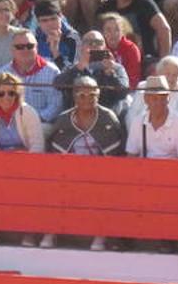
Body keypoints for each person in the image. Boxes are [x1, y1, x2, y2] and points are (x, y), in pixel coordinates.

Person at [48, 75, 124, 250]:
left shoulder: (107, 117)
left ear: (98, 95)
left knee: (106, 191)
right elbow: (54, 150)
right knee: (52, 189)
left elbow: (116, 153)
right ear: (74, 97)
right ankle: (50, 232)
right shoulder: (64, 119)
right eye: (82, 95)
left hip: (101, 173)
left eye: (92, 95)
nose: (88, 100)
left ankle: (100, 235)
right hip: (68, 172)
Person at [100, 0, 173, 69]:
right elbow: (96, 37)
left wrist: (163, 63)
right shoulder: (106, 8)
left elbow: (164, 29)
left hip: (145, 60)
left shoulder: (145, 4)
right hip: (113, 58)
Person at [125, 73, 178, 159]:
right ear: (146, 99)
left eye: (163, 98)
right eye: (154, 99)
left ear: (168, 98)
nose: (159, 103)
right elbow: (131, 156)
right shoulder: (137, 122)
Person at [99, 12, 141, 88]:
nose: (113, 34)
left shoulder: (131, 49)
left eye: (117, 30)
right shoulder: (99, 48)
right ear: (103, 32)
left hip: (126, 90)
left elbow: (134, 78)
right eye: (108, 30)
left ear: (123, 32)